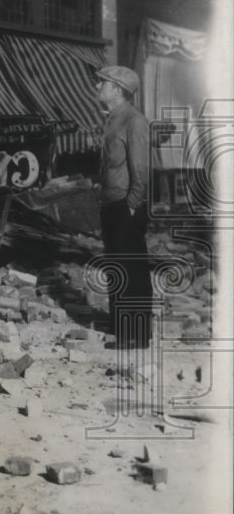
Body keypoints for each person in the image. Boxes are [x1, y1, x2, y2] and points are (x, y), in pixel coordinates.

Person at [94, 65, 153, 349]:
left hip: (125, 205)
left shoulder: (134, 120)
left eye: (102, 84)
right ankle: (122, 329)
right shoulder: (112, 120)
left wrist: (132, 205)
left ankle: (137, 335)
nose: (98, 88)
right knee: (117, 268)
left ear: (117, 89)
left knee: (132, 269)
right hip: (111, 203)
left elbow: (140, 169)